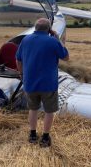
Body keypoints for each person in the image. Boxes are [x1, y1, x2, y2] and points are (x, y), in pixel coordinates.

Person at [16, 18, 69, 148]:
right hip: (48, 84)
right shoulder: (52, 41)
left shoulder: (25, 40)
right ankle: (45, 138)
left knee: (33, 109)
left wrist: (22, 74)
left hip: (30, 83)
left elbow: (18, 59)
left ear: (35, 28)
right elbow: (66, 57)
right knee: (49, 111)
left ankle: (33, 135)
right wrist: (58, 40)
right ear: (49, 29)